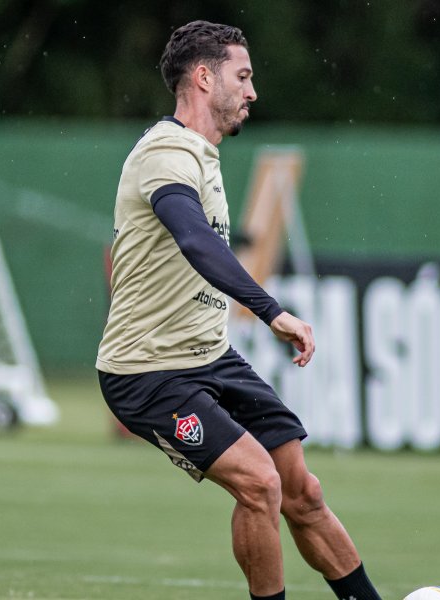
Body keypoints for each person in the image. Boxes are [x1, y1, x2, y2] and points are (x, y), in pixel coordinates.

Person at [96, 20, 383, 600]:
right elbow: (196, 242)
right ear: (203, 77)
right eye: (243, 76)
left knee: (302, 490)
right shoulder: (165, 152)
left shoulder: (204, 155)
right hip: (147, 374)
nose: (253, 92)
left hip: (210, 359)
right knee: (259, 483)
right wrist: (272, 311)